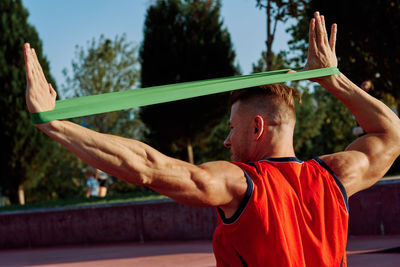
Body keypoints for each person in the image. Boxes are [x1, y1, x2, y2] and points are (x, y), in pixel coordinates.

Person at [24, 11, 400, 266]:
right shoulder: (335, 177)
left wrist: (53, 123)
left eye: (231, 128)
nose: (225, 141)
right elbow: (390, 133)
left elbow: (149, 168)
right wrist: (333, 80)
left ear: (257, 128)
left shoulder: (243, 183)